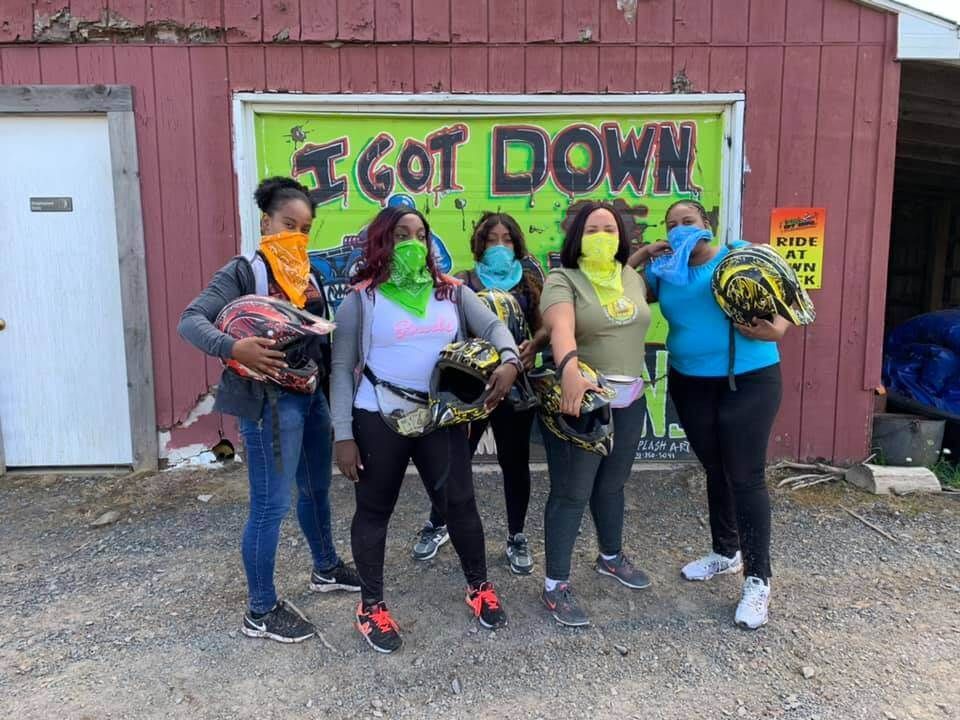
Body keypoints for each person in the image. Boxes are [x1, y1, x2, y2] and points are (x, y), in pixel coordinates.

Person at [331, 206, 523, 654]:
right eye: (402, 235)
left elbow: (493, 326)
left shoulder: (451, 292)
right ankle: (371, 607)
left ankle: (479, 587)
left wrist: (510, 359)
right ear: (382, 241)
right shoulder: (360, 300)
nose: (413, 243)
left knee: (460, 503)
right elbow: (340, 370)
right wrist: (342, 434)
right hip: (378, 415)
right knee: (374, 510)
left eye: (420, 234)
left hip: (440, 415)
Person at [178, 177, 360, 644]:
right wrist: (234, 346)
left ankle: (325, 568)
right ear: (266, 222)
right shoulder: (244, 272)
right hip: (267, 406)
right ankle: (260, 610)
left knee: (316, 489)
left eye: (305, 228)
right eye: (288, 224)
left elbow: (320, 338)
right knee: (270, 505)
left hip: (310, 398)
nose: (297, 235)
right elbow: (191, 320)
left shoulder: (308, 275)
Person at [629, 199, 789, 630]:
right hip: (690, 383)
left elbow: (786, 303)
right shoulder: (664, 272)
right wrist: (642, 254)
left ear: (707, 223)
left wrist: (776, 328)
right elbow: (619, 292)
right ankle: (725, 552)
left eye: (688, 221)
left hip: (748, 379)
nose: (680, 229)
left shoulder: (737, 257)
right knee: (716, 468)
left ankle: (758, 580)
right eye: (672, 224)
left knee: (745, 475)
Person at [537, 201, 658, 627]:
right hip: (583, 402)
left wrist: (645, 254)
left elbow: (626, 290)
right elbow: (561, 326)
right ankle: (555, 584)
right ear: (577, 237)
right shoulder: (563, 279)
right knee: (572, 492)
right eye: (592, 230)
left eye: (610, 229)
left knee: (612, 485)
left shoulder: (631, 277)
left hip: (630, 400)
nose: (602, 236)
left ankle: (610, 556)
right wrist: (569, 369)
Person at [411, 212, 545, 575]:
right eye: (491, 240)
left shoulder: (529, 283)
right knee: (454, 461)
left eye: (507, 240)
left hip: (514, 388)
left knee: (514, 463)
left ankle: (516, 536)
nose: (500, 246)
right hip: (469, 388)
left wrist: (532, 347)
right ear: (479, 245)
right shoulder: (464, 282)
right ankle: (437, 523)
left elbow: (544, 327)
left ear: (517, 245)